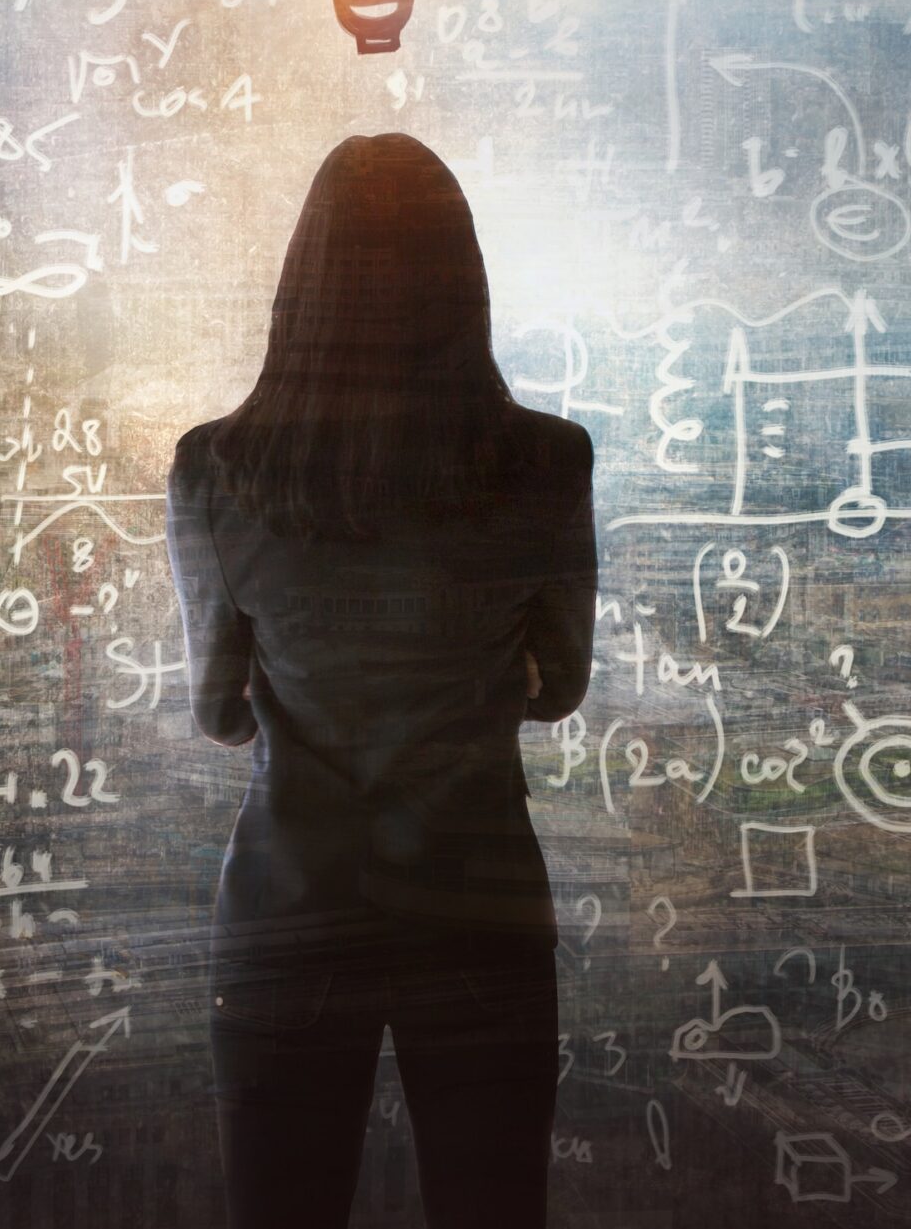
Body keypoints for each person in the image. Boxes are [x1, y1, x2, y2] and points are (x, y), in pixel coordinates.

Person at [167, 132, 598, 1229]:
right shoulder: (545, 461)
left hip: (290, 910)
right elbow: (559, 688)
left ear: (301, 284)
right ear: (462, 282)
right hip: (480, 904)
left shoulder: (216, 468)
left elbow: (217, 709)